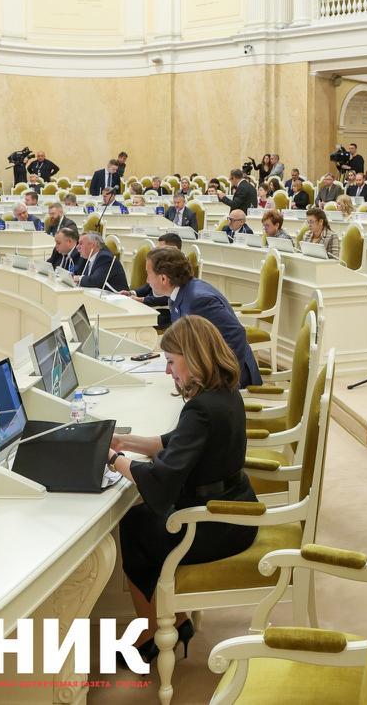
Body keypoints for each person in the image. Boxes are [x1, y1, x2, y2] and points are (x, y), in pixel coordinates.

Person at [109, 314, 259, 662]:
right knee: (140, 520)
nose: (167, 371)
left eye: (171, 362)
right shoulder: (222, 393)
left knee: (134, 526)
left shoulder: (201, 408)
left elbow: (160, 481)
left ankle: (151, 631)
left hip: (218, 523)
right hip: (235, 508)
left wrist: (112, 458)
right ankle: (174, 619)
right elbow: (174, 442)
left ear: (193, 358)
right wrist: (125, 441)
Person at [147, 247, 261, 387]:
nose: (147, 280)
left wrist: (218, 381)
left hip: (230, 382)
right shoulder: (183, 292)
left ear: (163, 278)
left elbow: (236, 335)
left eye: (148, 274)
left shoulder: (198, 301)